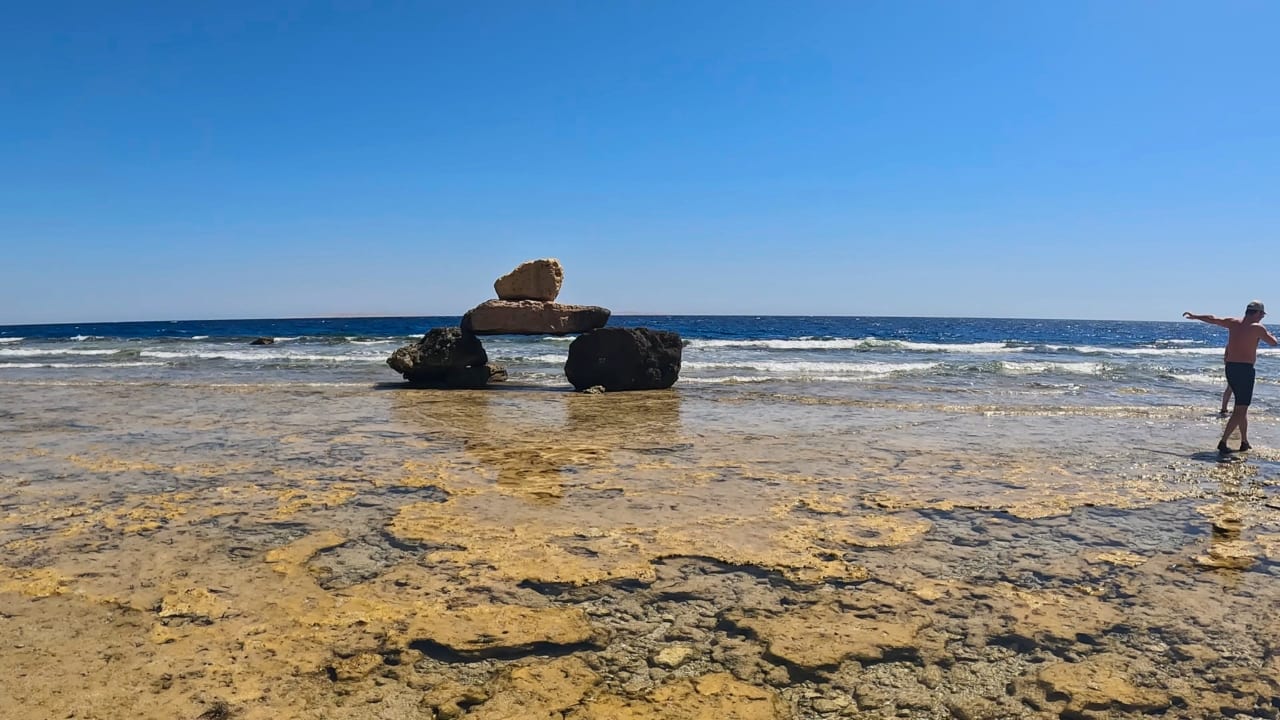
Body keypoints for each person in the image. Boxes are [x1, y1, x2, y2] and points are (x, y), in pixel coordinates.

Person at [1183, 301, 1277, 454]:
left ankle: (1244, 441)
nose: (1262, 318)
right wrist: (1270, 334)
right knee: (1240, 409)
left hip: (1231, 368)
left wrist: (1195, 316)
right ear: (1257, 313)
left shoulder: (1233, 323)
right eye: (1262, 315)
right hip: (1245, 370)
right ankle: (1223, 441)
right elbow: (1273, 342)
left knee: (1241, 407)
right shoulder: (1257, 328)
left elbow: (1213, 319)